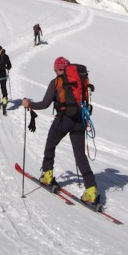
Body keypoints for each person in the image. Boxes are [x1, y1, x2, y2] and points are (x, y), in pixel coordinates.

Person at [22, 56, 99, 204]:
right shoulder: (80, 81)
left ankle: (47, 176)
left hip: (64, 120)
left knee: (50, 145)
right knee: (80, 154)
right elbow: (84, 101)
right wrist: (86, 120)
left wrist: (28, 104)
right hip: (80, 120)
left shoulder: (56, 82)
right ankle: (91, 190)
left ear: (56, 69)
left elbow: (45, 104)